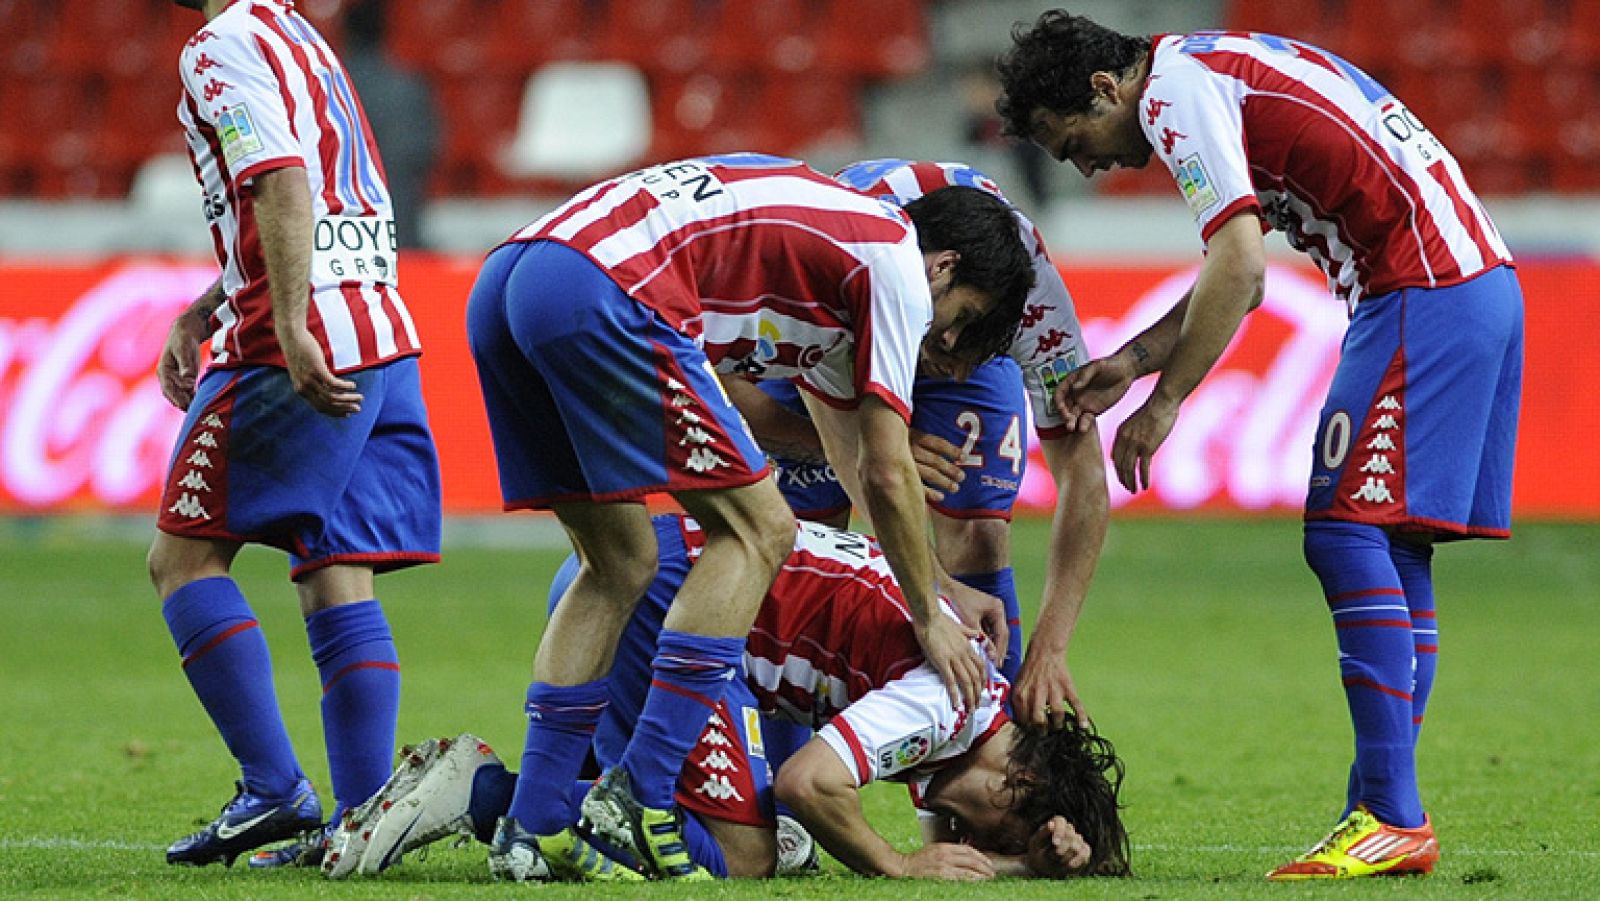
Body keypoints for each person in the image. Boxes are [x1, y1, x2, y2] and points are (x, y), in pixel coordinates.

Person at [996, 11, 1524, 881]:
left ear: (1105, 88)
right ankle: (1379, 808)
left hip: (1417, 286)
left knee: (1344, 533)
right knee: (1391, 544)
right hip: (1475, 284)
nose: (1086, 165)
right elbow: (1233, 290)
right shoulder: (1214, 71)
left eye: (1074, 141)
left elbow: (1239, 264)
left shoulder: (1174, 90)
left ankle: (1392, 815)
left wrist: (1162, 404)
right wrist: (1126, 362)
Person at [464, 153, 1034, 880]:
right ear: (943, 267)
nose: (948, 344)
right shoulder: (894, 264)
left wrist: (939, 588)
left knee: (618, 566)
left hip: (515, 275)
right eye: (965, 318)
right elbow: (887, 472)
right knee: (764, 528)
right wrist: (927, 614)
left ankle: (532, 824)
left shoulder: (837, 281)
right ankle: (639, 794)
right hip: (611, 286)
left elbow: (858, 469)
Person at [321, 514, 1131, 882]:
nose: (959, 833)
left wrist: (1020, 859)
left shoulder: (972, 705)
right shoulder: (948, 702)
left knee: (632, 828)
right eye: (985, 826)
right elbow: (808, 782)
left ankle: (505, 807)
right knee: (748, 852)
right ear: (1014, 783)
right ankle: (480, 790)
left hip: (627, 578)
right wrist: (899, 863)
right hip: (682, 612)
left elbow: (948, 822)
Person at [153, 0, 441, 870]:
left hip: (297, 337)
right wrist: (204, 306)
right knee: (335, 571)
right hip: (384, 329)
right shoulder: (300, 35)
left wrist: (284, 321)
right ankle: (358, 826)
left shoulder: (217, 44)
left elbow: (280, 179)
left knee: (183, 559)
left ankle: (273, 787)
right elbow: (323, 187)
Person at [731, 158, 1110, 729]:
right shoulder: (848, 265)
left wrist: (1050, 649)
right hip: (856, 320)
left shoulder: (1036, 308)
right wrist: (932, 594)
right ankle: (784, 808)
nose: (951, 371)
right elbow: (852, 458)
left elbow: (1084, 478)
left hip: (955, 300)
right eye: (952, 345)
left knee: (980, 538)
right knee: (794, 554)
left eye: (973, 349)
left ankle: (987, 772)